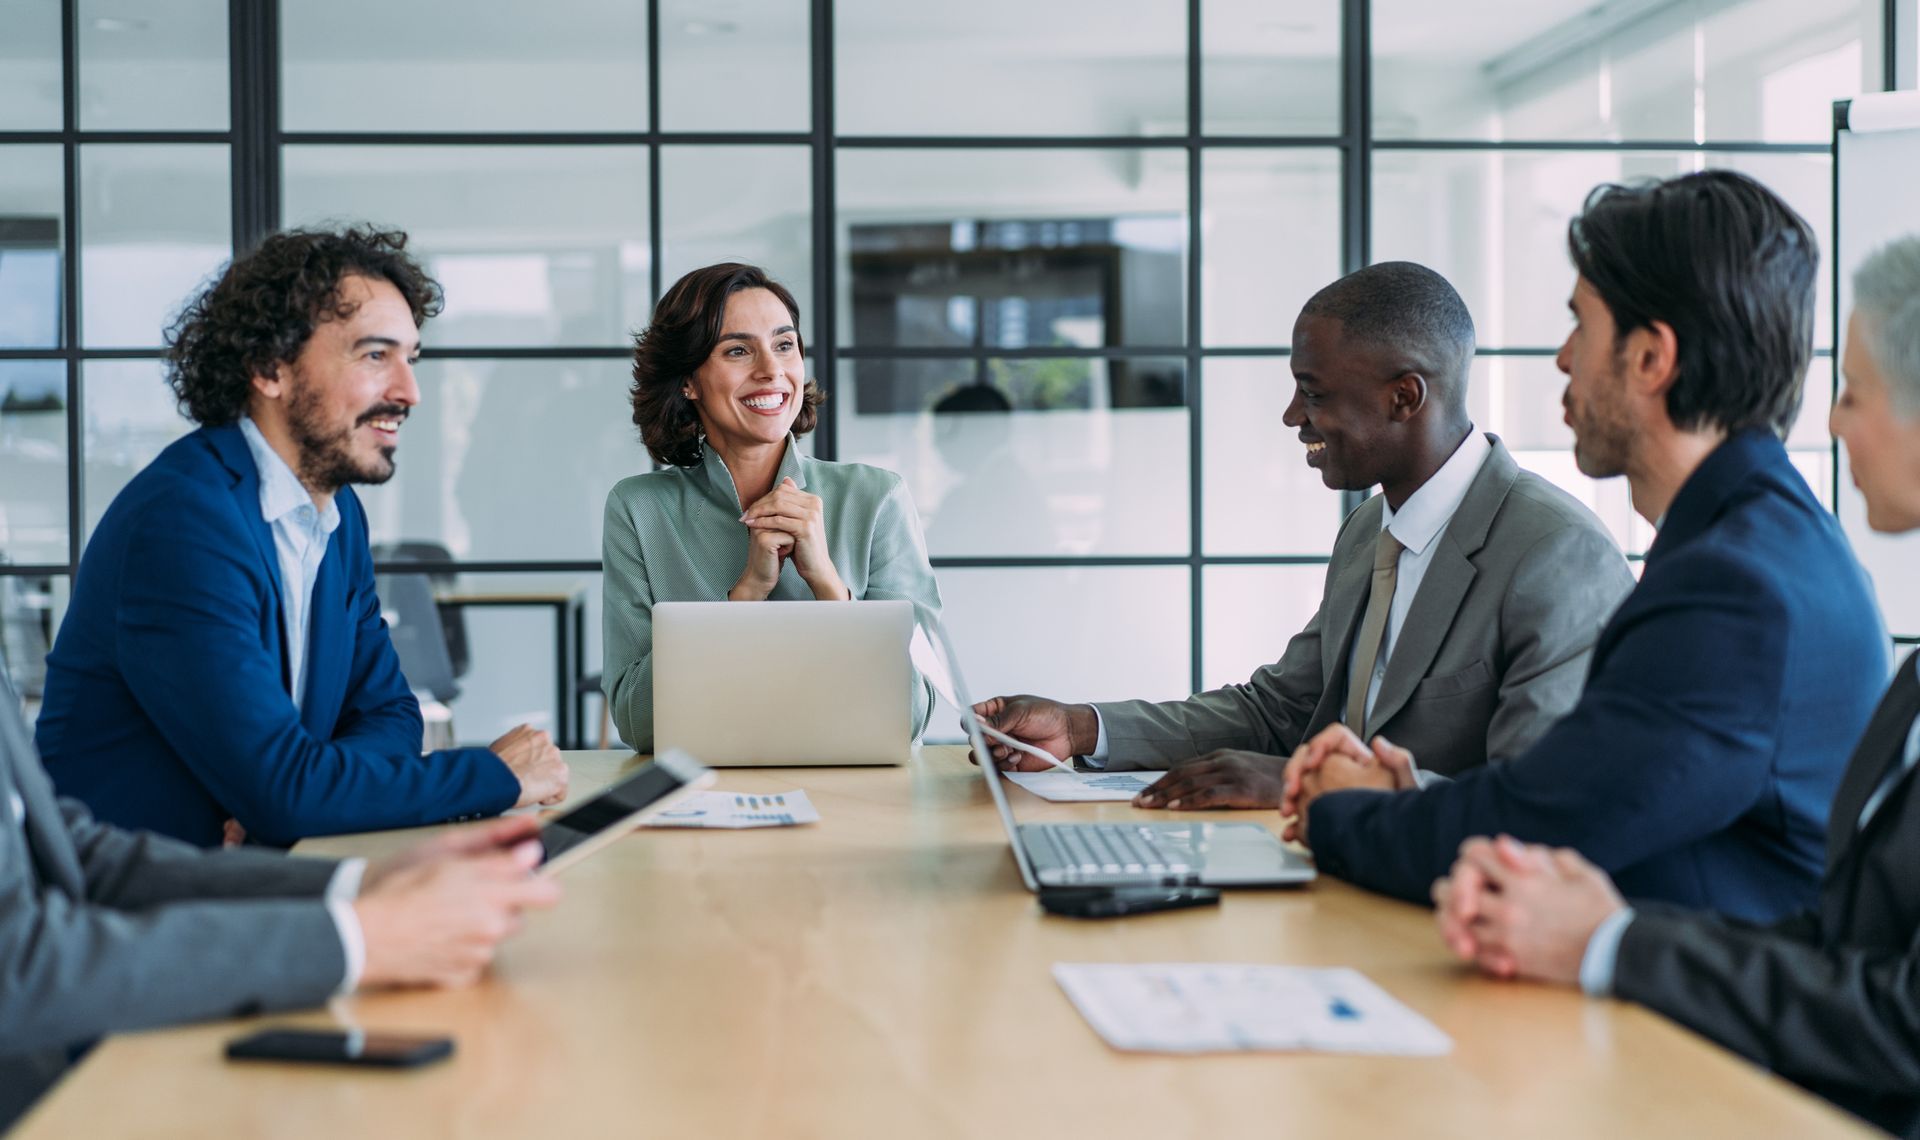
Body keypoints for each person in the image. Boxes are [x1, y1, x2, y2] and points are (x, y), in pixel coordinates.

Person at [1284, 171, 1887, 925]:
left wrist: (1342, 810)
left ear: (1649, 359)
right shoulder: (1763, 540)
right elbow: (1584, 793)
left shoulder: (1735, 587)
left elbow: (1544, 829)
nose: (1564, 358)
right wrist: (1405, 797)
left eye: (1581, 326)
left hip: (1685, 1033)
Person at [1427, 234, 1920, 1137]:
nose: (1835, 424)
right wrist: (1602, 929)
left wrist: (1613, 942)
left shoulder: (1746, 578)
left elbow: (1902, 1024)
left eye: (1854, 393)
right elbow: (1841, 943)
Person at [973, 262, 1632, 803]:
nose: (1293, 416)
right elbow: (1280, 711)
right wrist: (1080, 727)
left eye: (1313, 393)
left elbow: (1538, 800)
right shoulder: (1370, 530)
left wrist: (1310, 786)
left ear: (1404, 398)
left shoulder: (1556, 554)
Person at [34, 226, 568, 849]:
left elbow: (385, 713)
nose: (409, 392)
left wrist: (301, 795)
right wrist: (493, 776)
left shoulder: (335, 515)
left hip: (259, 875)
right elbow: (288, 794)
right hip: (134, 910)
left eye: (410, 358)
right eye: (375, 356)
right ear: (269, 367)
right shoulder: (184, 522)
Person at [0, 667, 560, 1127]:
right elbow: (16, 968)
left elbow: (75, 857)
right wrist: (364, 938)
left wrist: (360, 886)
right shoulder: (178, 531)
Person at [603, 263, 941, 751]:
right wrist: (746, 593)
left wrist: (828, 583)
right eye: (738, 350)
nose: (771, 370)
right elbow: (639, 725)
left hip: (867, 803)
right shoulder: (637, 511)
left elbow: (912, 714)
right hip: (702, 803)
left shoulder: (878, 498)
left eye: (785, 345)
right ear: (687, 381)